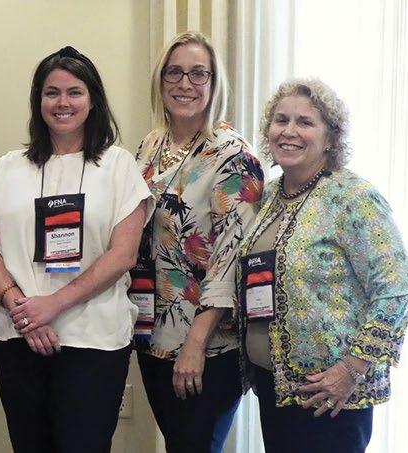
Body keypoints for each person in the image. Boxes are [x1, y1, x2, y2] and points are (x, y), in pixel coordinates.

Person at [0, 46, 152, 453]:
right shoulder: (9, 166)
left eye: (74, 92)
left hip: (93, 341)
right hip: (18, 336)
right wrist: (23, 309)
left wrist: (53, 305)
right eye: (51, 93)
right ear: (38, 100)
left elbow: (123, 254)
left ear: (93, 100)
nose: (62, 103)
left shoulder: (118, 165)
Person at [238, 78, 408, 452]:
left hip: (330, 395)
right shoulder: (269, 196)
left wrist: (351, 369)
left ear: (331, 137)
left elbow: (397, 289)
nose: (289, 131)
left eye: (305, 122)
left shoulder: (352, 197)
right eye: (281, 120)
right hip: (275, 387)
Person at [132, 31, 264, 453]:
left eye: (197, 74)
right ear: (160, 80)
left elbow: (233, 256)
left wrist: (195, 345)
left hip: (207, 345)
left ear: (214, 83)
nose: (184, 84)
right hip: (153, 333)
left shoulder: (233, 155)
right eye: (174, 72)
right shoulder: (152, 144)